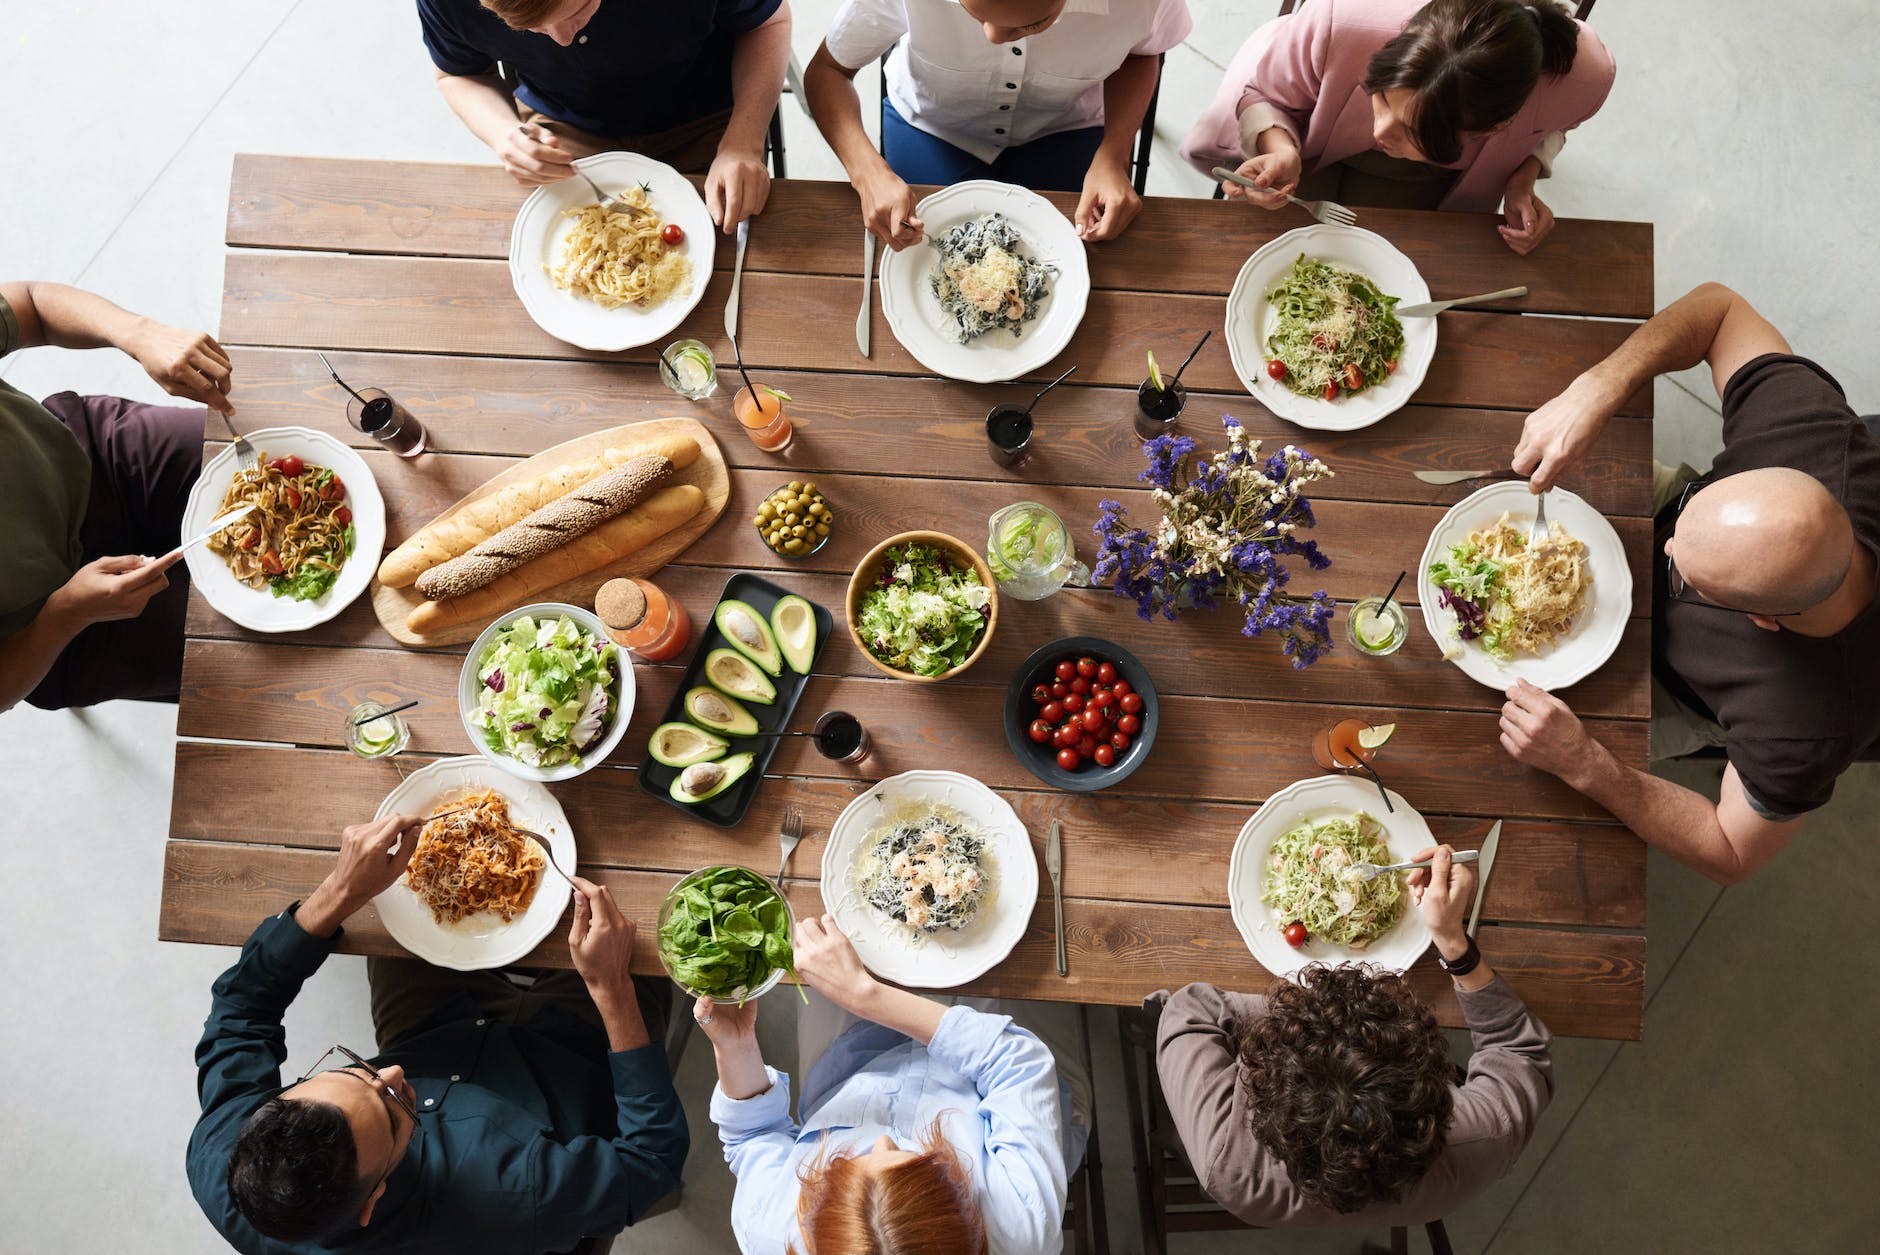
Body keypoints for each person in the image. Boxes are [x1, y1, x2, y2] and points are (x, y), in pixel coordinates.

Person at [1499, 282, 1880, 884]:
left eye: (1684, 570)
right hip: (1694, 502)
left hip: (1675, 686)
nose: (1663, 548)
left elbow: (1731, 851)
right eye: (1682, 535)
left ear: (1763, 620)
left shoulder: (1806, 727)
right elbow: (1720, 310)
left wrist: (1588, 763)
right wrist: (1598, 389)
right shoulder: (1811, 435)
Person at [188, 813, 688, 1252]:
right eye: (393, 1109)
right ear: (372, 1201)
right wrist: (611, 988)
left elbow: (241, 1011)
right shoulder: (514, 1195)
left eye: (355, 1071)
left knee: (399, 912)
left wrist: (339, 891)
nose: (393, 1072)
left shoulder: (222, 1157)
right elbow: (651, 1162)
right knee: (644, 911)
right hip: (571, 1058)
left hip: (435, 1028)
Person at [1155, 846, 1552, 1225]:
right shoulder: (1488, 1137)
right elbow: (1518, 1051)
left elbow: (1189, 1011)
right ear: (1433, 1088)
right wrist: (1452, 942)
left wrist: (1294, 1019)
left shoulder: (1222, 1159)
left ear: (1263, 1094)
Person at [697, 913, 1089, 1253]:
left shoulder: (767, 1232)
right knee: (1030, 939)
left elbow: (752, 1136)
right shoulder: (1022, 1226)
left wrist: (735, 1048)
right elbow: (1015, 1060)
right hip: (999, 1074)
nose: (883, 1139)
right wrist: (864, 994)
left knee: (824, 930)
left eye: (844, 1165)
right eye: (921, 1161)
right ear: (965, 1214)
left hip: (850, 1062)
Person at [1181, 0, 1615, 254]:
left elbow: (1553, 129)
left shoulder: (1583, 80)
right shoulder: (1342, 20)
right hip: (1312, 134)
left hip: (1441, 183)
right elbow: (1264, 93)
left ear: (1493, 126)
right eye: (1382, 96)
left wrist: (1523, 180)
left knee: (1414, 260)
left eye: (1413, 132)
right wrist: (1279, 149)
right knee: (1255, 247)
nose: (1380, 132)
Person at [0, 281, 234, 713]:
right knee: (259, 651)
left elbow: (31, 304)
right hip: (58, 625)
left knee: (273, 463)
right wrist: (66, 614)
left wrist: (138, 333)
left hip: (95, 456)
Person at [803, 0, 1193, 249]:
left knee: (1088, 261)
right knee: (913, 258)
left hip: (1066, 128)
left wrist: (1114, 153)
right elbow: (828, 71)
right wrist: (868, 174)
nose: (992, 38)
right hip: (931, 126)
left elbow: (1143, 54)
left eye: (1030, 24)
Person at [417, 0, 793, 231]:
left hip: (705, 114)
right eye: (528, 30)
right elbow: (457, 72)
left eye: (577, 12)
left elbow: (768, 22)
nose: (560, 40)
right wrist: (503, 134)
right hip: (563, 127)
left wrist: (744, 143)